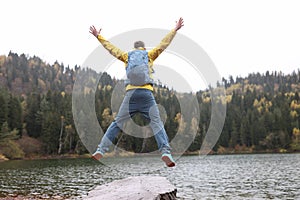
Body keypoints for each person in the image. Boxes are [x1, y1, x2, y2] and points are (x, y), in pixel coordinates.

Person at [89, 17, 184, 167]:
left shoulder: (127, 56)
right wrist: (175, 30)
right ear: (144, 49)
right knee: (157, 123)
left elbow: (111, 48)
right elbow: (163, 44)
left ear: (133, 48)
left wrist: (98, 36)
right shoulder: (149, 55)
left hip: (131, 95)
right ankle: (165, 152)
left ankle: (101, 149)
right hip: (146, 94)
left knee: (117, 123)